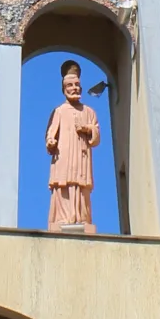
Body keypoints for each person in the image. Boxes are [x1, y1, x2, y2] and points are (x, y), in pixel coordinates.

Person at [45, 59, 101, 233]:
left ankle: (82, 219)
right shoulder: (59, 111)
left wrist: (87, 129)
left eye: (77, 84)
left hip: (81, 157)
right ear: (64, 89)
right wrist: (51, 142)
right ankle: (62, 218)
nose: (74, 88)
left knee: (81, 186)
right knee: (63, 185)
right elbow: (50, 133)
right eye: (69, 85)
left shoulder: (89, 112)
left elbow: (96, 134)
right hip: (64, 158)